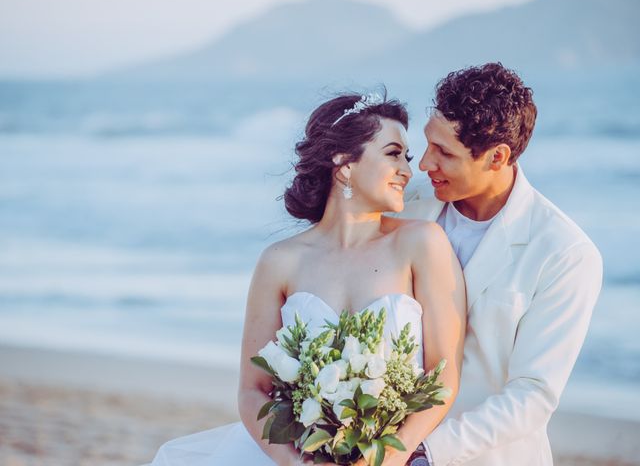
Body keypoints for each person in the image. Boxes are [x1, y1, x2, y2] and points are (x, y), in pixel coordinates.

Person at [149, 92, 467, 466]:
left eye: (406, 158)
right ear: (344, 163)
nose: (408, 170)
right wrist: (294, 461)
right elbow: (253, 391)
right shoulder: (280, 262)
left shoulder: (421, 243)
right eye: (393, 153)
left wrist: (389, 457)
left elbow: (443, 378)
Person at [401, 63, 603, 466]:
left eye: (444, 153)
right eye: (427, 143)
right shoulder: (405, 206)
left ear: (497, 157)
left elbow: (533, 394)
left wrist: (425, 453)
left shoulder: (564, 252)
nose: (423, 164)